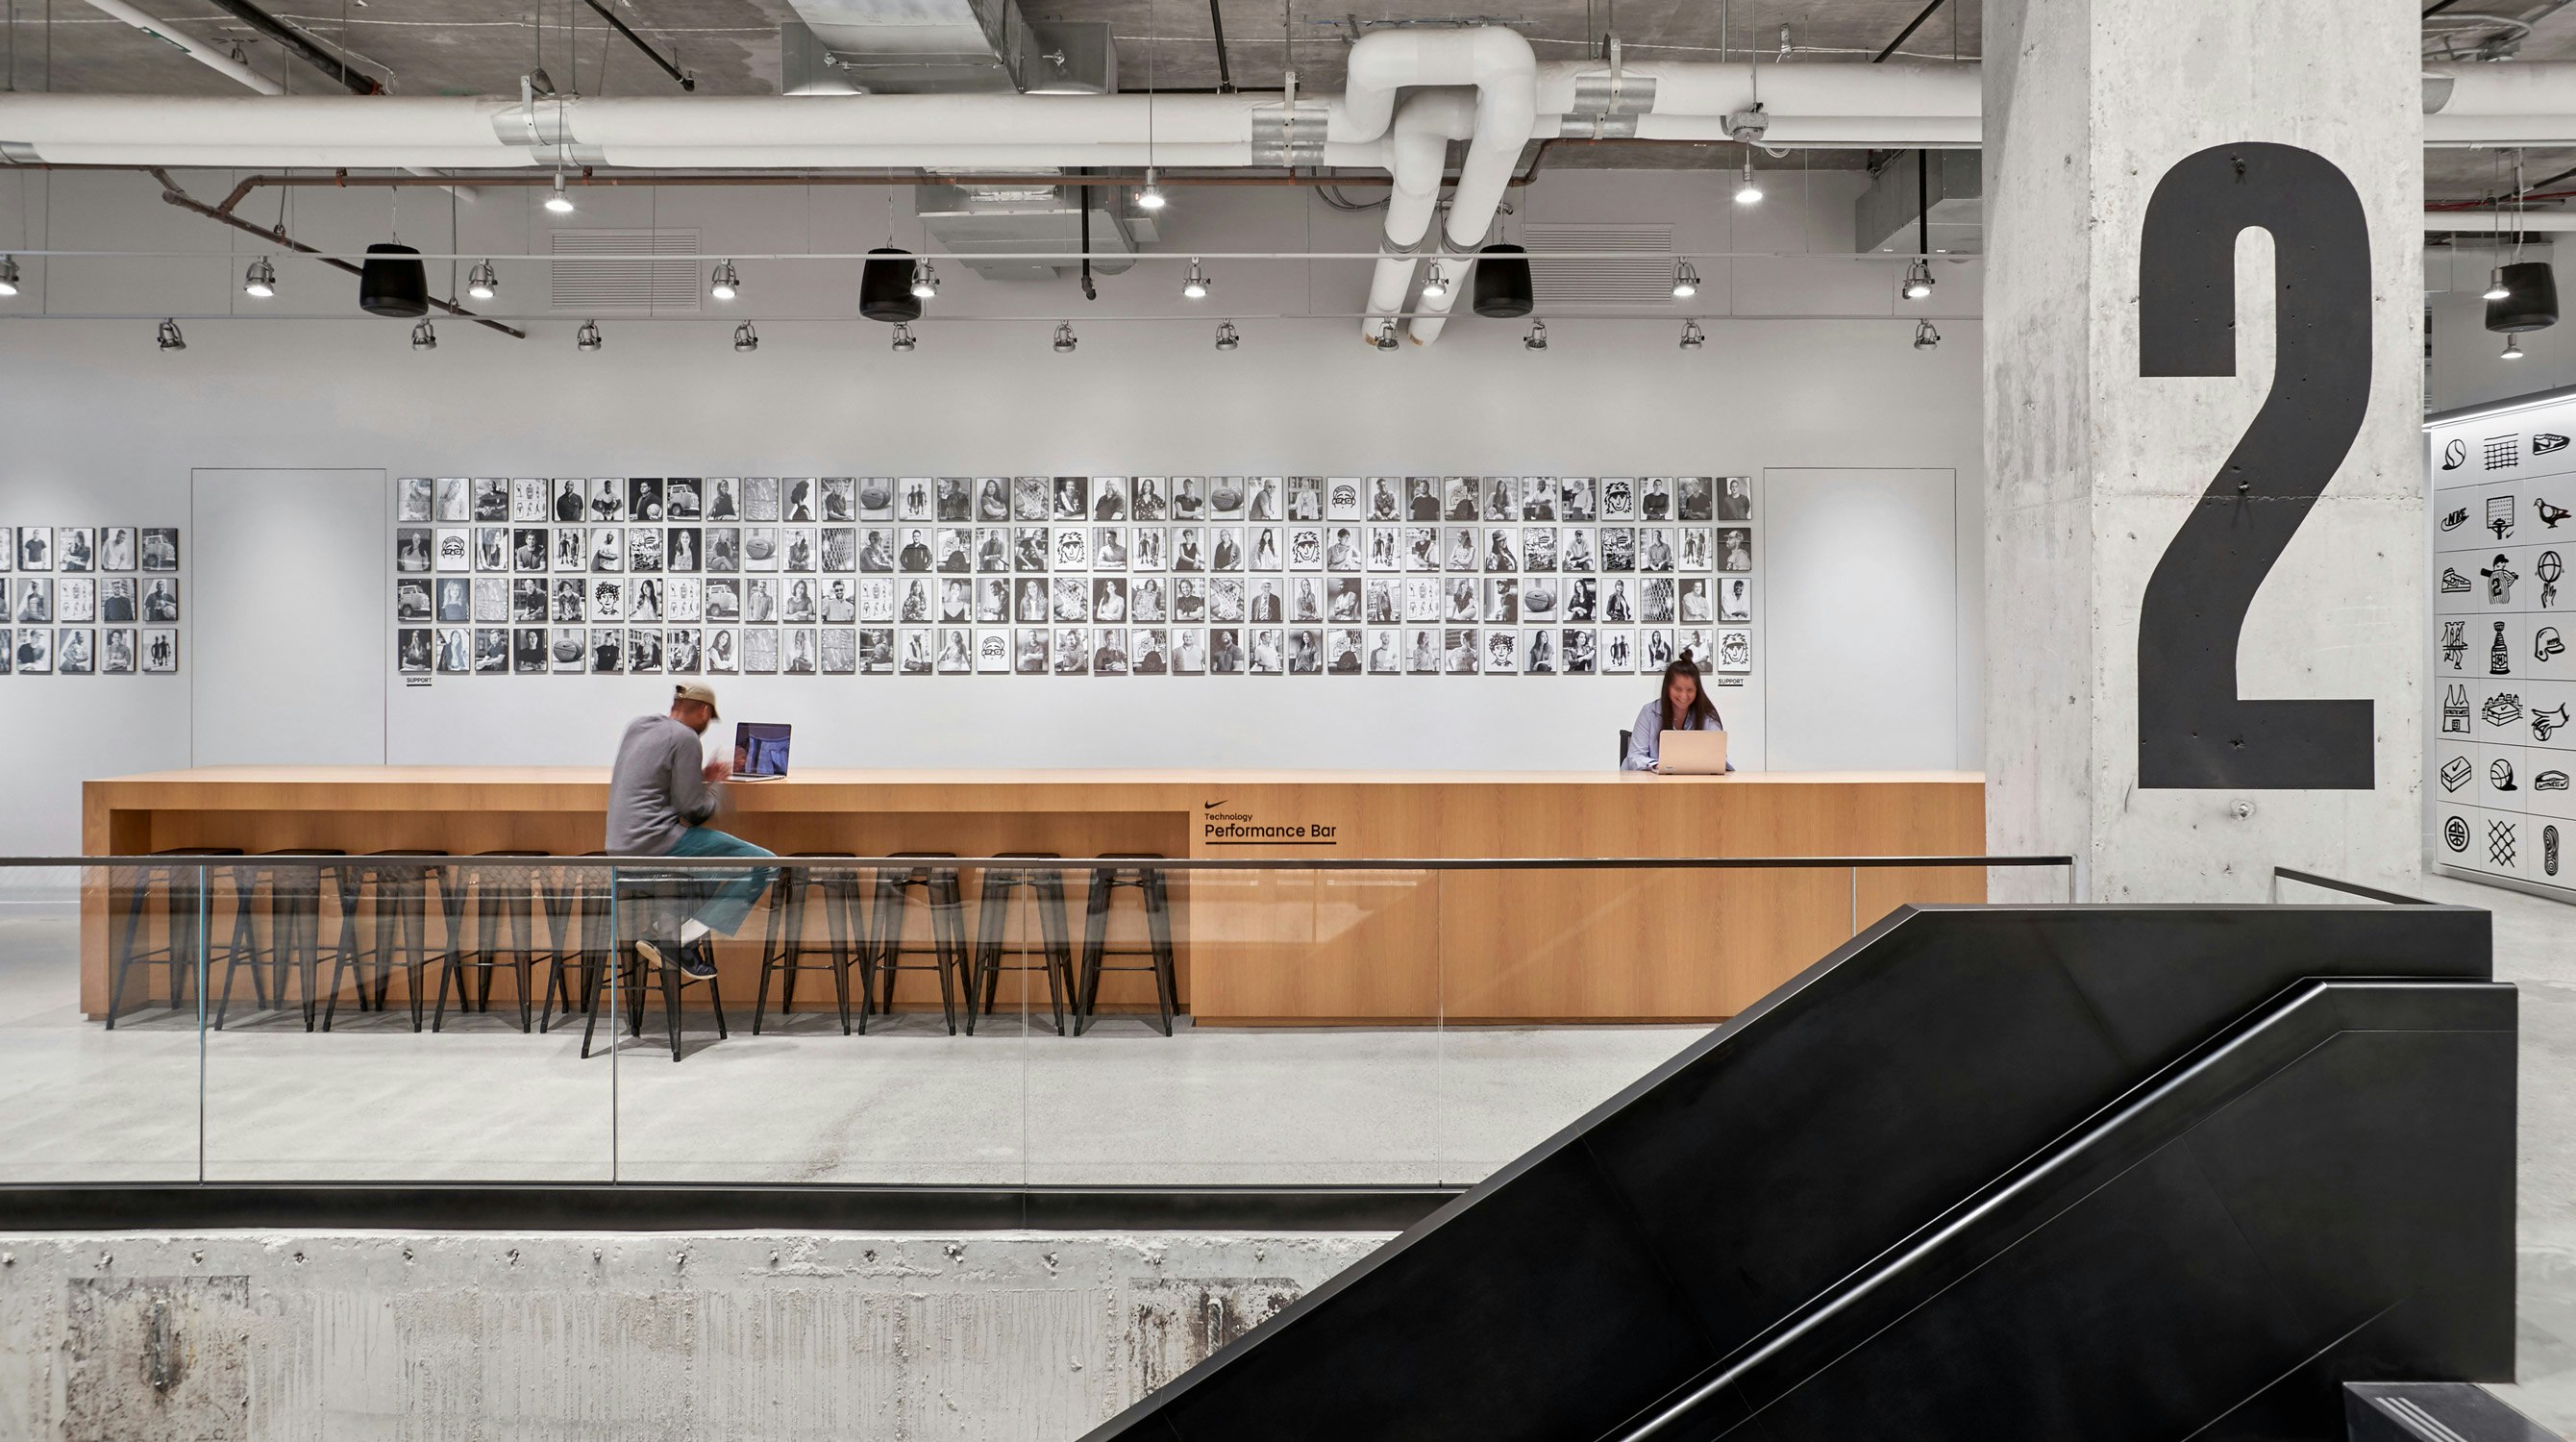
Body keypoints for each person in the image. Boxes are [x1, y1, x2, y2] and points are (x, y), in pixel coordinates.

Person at [607, 683, 776, 978]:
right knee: (764, 863)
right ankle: (677, 941)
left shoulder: (638, 726)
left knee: (712, 869)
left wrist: (700, 775)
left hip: (618, 846)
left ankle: (667, 926)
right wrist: (717, 785)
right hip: (655, 842)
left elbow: (656, 779)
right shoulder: (686, 737)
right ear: (704, 711)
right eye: (709, 718)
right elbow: (694, 812)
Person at [1623, 653, 1730, 772]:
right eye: (1678, 689)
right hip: (1651, 781)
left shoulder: (1708, 716)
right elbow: (1635, 757)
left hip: (1694, 781)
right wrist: (1658, 766)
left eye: (1690, 690)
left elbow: (1718, 759)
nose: (1683, 696)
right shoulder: (1649, 712)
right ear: (1668, 688)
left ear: (1697, 690)